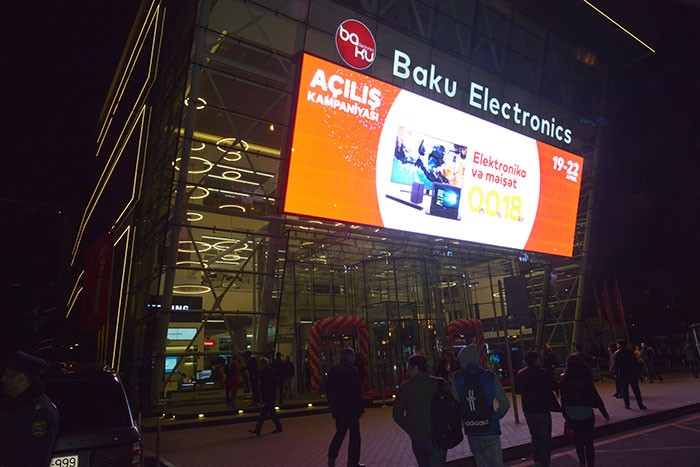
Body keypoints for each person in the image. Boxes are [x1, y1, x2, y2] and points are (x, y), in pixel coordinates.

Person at [452, 344, 510, 467]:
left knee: (481, 462)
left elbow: (456, 403)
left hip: (471, 429)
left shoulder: (457, 378)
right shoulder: (489, 376)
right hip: (490, 429)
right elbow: (505, 404)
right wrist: (495, 416)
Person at [0, 351, 60, 467]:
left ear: (20, 379)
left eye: (7, 375)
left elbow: (34, 458)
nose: (2, 378)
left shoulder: (39, 413)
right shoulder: (17, 403)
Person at [393, 354, 447, 467]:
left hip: (418, 438)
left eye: (409, 368)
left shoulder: (405, 387)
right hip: (439, 435)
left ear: (416, 368)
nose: (407, 371)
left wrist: (411, 429)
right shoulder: (440, 383)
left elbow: (397, 414)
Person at [560, 355, 610, 467]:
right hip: (586, 410)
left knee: (578, 441)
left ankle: (582, 462)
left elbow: (563, 399)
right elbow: (594, 395)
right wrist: (604, 412)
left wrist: (565, 414)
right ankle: (590, 464)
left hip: (572, 412)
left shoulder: (565, 379)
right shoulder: (585, 377)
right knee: (588, 442)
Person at [515, 351, 561, 467]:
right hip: (542, 408)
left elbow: (517, 390)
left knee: (535, 436)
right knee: (545, 437)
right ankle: (544, 462)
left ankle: (537, 459)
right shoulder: (543, 373)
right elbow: (554, 385)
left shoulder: (521, 374)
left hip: (529, 409)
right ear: (536, 360)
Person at [326, 347, 365, 467]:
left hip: (340, 408)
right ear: (349, 357)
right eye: (353, 356)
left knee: (340, 433)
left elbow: (329, 390)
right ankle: (353, 462)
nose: (354, 359)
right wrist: (361, 407)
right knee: (355, 437)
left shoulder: (334, 370)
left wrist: (333, 407)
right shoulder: (352, 371)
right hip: (352, 408)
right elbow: (357, 391)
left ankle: (332, 457)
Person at [248, 357, 282, 435]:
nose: (260, 365)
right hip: (268, 394)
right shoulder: (264, 371)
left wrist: (271, 390)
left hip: (270, 394)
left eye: (261, 363)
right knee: (271, 412)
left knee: (265, 413)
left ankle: (258, 428)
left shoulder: (269, 371)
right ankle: (277, 427)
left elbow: (275, 381)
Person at [613, 340, 647, 410]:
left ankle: (627, 404)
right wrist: (638, 371)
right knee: (636, 389)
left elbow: (616, 365)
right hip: (632, 372)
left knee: (625, 390)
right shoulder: (630, 352)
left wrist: (615, 373)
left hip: (623, 373)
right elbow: (635, 362)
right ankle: (640, 404)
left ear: (620, 345)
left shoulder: (618, 353)